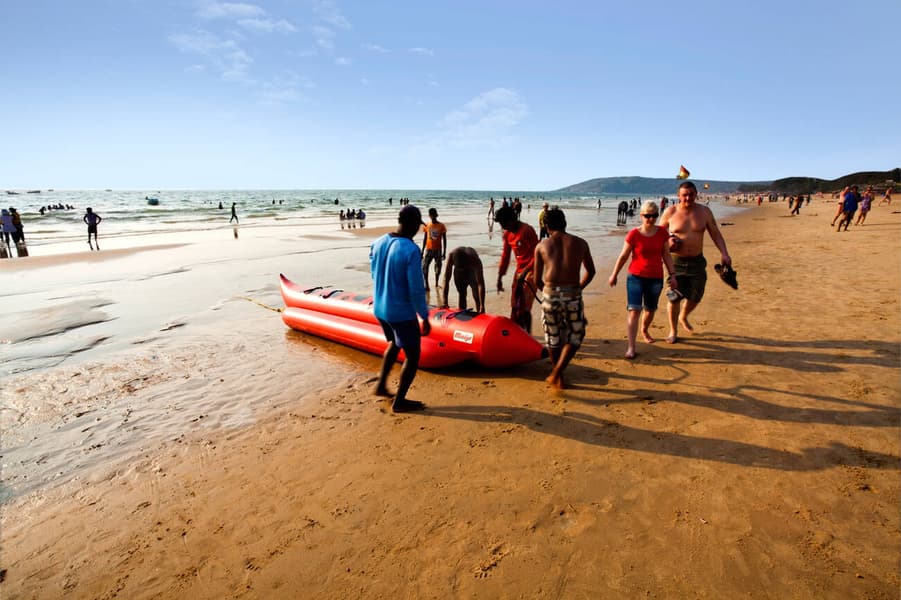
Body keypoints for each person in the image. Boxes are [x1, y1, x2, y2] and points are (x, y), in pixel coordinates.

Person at [370, 205, 431, 413]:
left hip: (380, 308)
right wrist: (424, 316)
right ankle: (400, 402)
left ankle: (380, 385)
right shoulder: (410, 250)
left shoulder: (378, 242)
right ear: (413, 224)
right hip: (400, 312)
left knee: (394, 344)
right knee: (413, 356)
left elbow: (373, 272)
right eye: (417, 226)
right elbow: (416, 289)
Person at [658, 181, 731, 343]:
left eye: (691, 194)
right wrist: (669, 240)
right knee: (673, 297)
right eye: (684, 195)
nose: (688, 197)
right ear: (678, 196)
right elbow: (658, 234)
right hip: (675, 262)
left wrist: (724, 253)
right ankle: (673, 330)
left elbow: (716, 234)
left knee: (696, 296)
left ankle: (684, 316)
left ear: (696, 194)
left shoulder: (704, 212)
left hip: (697, 262)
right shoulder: (670, 212)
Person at [534, 208, 596, 389]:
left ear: (546, 226)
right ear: (565, 223)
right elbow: (591, 271)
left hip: (550, 293)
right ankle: (557, 372)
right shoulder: (580, 243)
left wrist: (547, 294)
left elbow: (537, 279)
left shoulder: (542, 245)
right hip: (573, 294)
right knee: (576, 334)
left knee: (553, 337)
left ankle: (557, 374)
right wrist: (578, 288)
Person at [608, 200, 677, 359]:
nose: (651, 219)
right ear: (641, 216)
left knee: (650, 309)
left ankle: (644, 329)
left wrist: (672, 275)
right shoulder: (633, 234)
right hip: (635, 277)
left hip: (655, 278)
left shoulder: (662, 233)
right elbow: (624, 256)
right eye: (647, 216)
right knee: (634, 311)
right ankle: (631, 347)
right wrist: (614, 274)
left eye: (654, 215)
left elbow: (666, 254)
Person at [496, 205, 540, 333]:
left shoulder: (527, 230)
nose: (503, 227)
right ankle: (516, 334)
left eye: (504, 223)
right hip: (519, 272)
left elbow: (537, 254)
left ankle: (526, 335)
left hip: (532, 272)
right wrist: (500, 276)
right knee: (515, 305)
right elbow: (505, 256)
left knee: (524, 307)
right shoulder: (507, 234)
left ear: (512, 219)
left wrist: (526, 271)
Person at [440, 247, 486, 313]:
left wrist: (482, 306)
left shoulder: (474, 260)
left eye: (462, 268)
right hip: (458, 273)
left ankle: (480, 312)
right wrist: (445, 302)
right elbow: (446, 279)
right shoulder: (451, 256)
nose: (462, 270)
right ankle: (462, 315)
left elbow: (480, 283)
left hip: (471, 271)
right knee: (462, 294)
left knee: (476, 295)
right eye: (459, 267)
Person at [420, 208, 447, 291]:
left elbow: (444, 239)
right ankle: (427, 285)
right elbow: (425, 239)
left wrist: (444, 252)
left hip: (438, 250)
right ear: (429, 216)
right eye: (431, 215)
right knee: (425, 267)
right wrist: (422, 250)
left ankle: (436, 283)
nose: (433, 217)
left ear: (436, 215)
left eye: (434, 215)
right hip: (428, 249)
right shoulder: (427, 225)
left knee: (438, 268)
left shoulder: (441, 226)